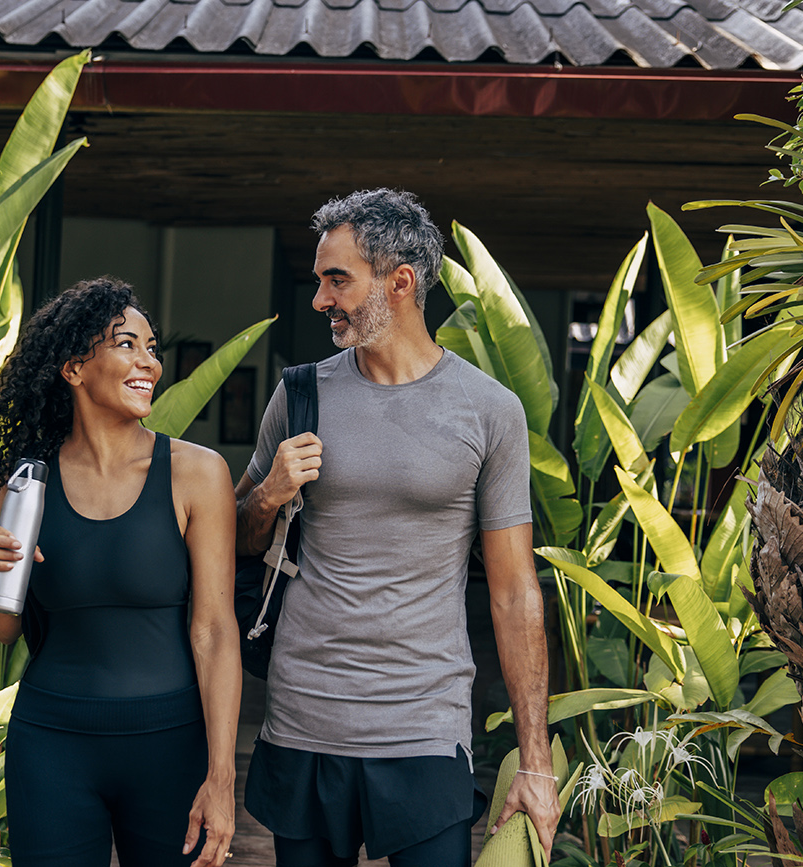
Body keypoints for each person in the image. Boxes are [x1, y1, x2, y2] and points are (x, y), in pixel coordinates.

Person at [234, 189, 559, 866]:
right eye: (321, 280)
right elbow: (237, 536)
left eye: (338, 279)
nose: (321, 299)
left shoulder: (489, 410)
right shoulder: (300, 394)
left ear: (401, 282)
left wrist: (535, 762)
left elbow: (514, 591)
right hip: (304, 714)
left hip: (424, 725)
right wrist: (269, 494)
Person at [0, 277, 241, 867]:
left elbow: (215, 631)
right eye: (127, 345)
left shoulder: (197, 473)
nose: (148, 363)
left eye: (152, 349)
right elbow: (3, 628)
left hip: (170, 746)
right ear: (73, 368)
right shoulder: (26, 484)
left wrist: (222, 776)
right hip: (52, 744)